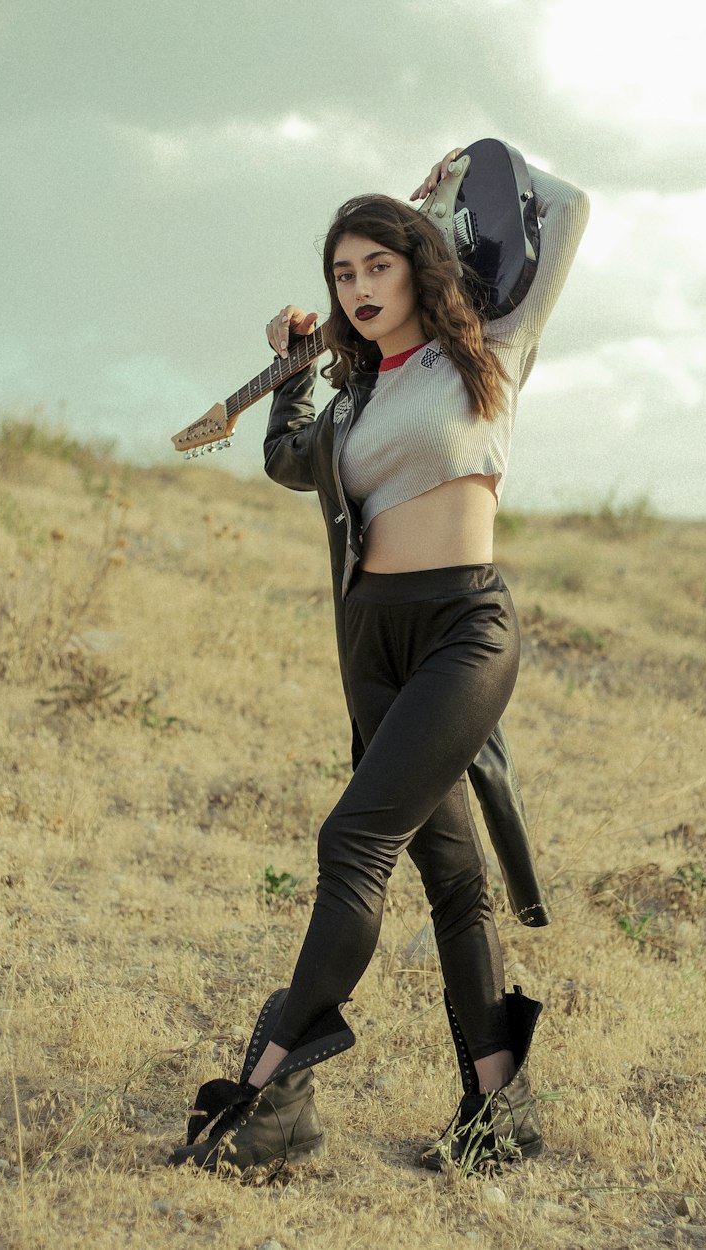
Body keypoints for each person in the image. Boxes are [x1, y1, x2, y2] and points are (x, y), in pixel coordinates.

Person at [170, 142, 589, 1176]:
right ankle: (502, 1111)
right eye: (341, 274)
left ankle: (271, 1092)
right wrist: (288, 379)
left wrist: (453, 177)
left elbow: (570, 210)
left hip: (461, 630)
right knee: (450, 874)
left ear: (418, 263)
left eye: (376, 265)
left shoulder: (490, 348)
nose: (358, 287)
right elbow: (283, 459)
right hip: (373, 646)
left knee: (351, 839)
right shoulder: (352, 400)